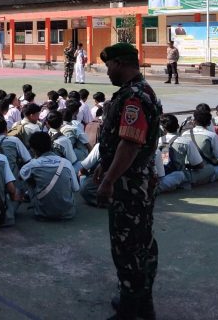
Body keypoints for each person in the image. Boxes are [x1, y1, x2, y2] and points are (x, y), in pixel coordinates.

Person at [95, 43, 160, 320]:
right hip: (135, 181)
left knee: (127, 246)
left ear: (120, 64)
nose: (107, 72)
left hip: (128, 184)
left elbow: (129, 144)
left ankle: (130, 309)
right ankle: (141, 302)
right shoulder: (140, 92)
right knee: (142, 242)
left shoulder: (133, 98)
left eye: (109, 66)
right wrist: (104, 165)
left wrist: (109, 180)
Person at [20, 132, 80, 220]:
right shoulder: (66, 163)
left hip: (42, 213)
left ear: (33, 149)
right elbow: (76, 188)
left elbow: (21, 176)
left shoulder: (32, 165)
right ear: (51, 145)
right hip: (67, 213)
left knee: (27, 178)